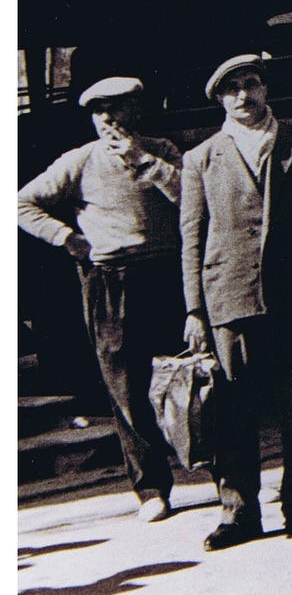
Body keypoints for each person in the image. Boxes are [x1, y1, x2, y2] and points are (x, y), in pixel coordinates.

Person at [180, 55, 292, 550]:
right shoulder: (201, 158)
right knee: (234, 411)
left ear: (266, 88)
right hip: (231, 297)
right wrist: (194, 311)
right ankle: (238, 512)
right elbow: (192, 239)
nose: (244, 95)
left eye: (251, 84)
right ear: (220, 99)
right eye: (232, 89)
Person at [17, 77, 184, 523]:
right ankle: (151, 488)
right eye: (99, 110)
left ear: (137, 110)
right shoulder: (78, 161)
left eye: (118, 108)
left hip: (169, 273)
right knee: (125, 384)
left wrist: (142, 159)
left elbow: (191, 198)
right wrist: (65, 237)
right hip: (112, 280)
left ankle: (222, 470)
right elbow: (21, 204)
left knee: (188, 374)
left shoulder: (163, 149)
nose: (109, 118)